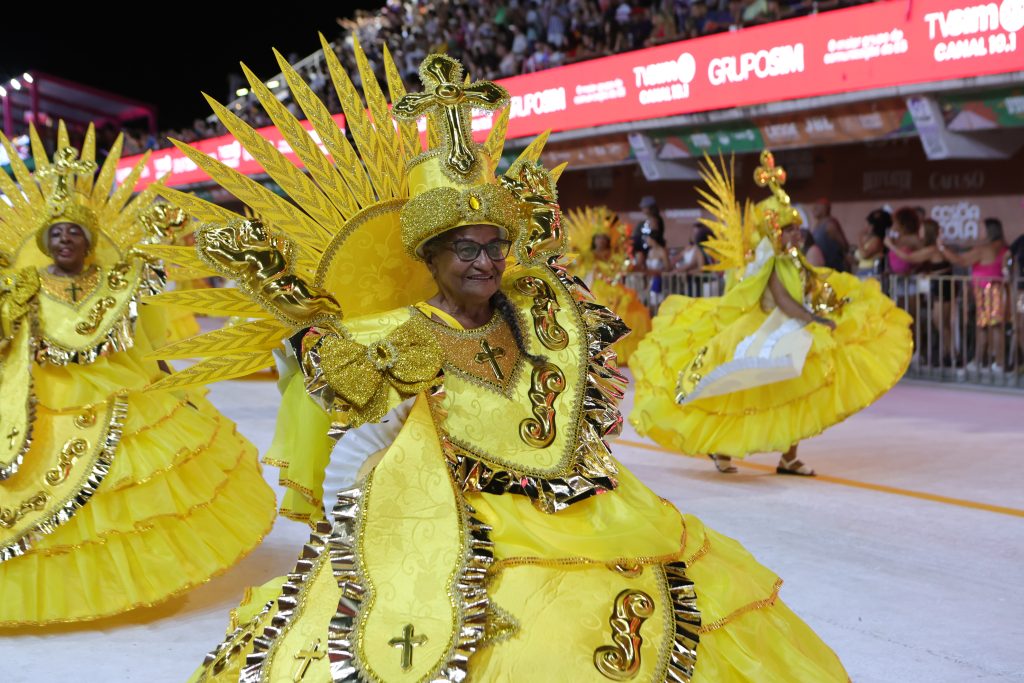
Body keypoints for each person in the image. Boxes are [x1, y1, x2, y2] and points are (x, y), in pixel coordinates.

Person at [161, 48, 849, 682]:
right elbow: (357, 421)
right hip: (446, 521)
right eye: (465, 248)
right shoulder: (395, 333)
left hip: (584, 505)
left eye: (494, 246)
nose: (485, 262)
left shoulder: (537, 310)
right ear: (429, 256)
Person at [0, 125, 275, 626]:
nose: (65, 240)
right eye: (56, 233)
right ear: (44, 241)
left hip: (117, 391)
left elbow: (148, 344)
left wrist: (175, 385)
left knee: (131, 494)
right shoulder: (23, 286)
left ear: (89, 240)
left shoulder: (119, 283)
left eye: (74, 232)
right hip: (38, 402)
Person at [630, 151, 912, 476]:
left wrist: (836, 304)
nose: (797, 235)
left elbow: (815, 287)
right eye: (789, 229)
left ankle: (789, 456)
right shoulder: (771, 263)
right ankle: (722, 448)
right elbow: (781, 299)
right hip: (766, 329)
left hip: (793, 327)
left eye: (797, 228)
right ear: (774, 232)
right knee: (741, 392)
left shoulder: (795, 260)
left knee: (797, 394)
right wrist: (813, 320)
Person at [565, 206, 652, 365]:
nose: (601, 241)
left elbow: (620, 269)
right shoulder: (587, 255)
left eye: (604, 238)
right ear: (594, 239)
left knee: (630, 311)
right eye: (598, 238)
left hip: (612, 287)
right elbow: (576, 267)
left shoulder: (612, 256)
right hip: (594, 288)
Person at [939, 218, 1011, 377]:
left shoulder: (985, 249)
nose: (979, 232)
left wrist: (941, 247)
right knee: (992, 327)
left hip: (988, 291)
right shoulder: (1003, 246)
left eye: (982, 228)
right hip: (997, 290)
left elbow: (960, 260)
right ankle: (987, 361)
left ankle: (993, 363)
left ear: (990, 231)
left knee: (988, 328)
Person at [885, 219, 954, 368]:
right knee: (940, 322)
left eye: (922, 229)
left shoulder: (932, 250)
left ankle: (950, 355)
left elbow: (909, 258)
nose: (919, 232)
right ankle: (947, 354)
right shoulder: (932, 249)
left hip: (942, 287)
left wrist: (890, 245)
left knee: (942, 323)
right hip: (939, 287)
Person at [809, 198, 851, 272]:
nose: (814, 209)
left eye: (817, 207)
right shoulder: (817, 224)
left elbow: (845, 245)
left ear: (825, 209)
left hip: (833, 268)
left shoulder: (830, 225)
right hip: (823, 268)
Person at [631, 194, 665, 271]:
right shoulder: (645, 220)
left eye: (644, 207)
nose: (642, 209)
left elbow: (654, 234)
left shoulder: (654, 220)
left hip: (649, 250)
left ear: (650, 208)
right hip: (644, 249)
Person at [854, 208, 891, 279]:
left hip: (870, 273)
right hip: (863, 272)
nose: (866, 227)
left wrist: (859, 239)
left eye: (869, 225)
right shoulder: (870, 240)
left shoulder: (877, 240)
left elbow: (864, 254)